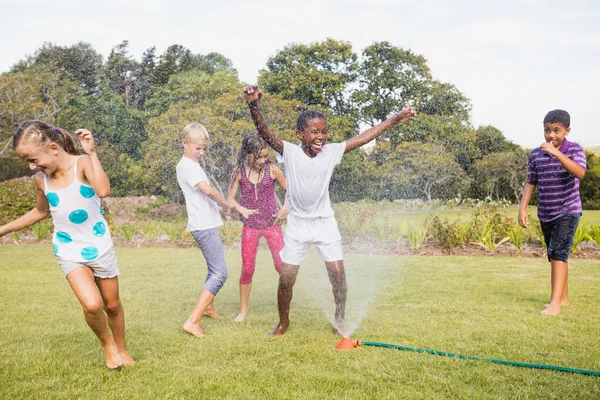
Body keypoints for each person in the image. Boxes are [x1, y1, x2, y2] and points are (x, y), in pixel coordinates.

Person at [243, 85, 417, 336]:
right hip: (298, 225)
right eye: (314, 132)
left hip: (324, 222)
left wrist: (395, 119)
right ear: (300, 134)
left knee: (337, 274)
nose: (321, 137)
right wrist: (253, 105)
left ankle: (340, 319)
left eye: (324, 131)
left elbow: (365, 136)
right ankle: (283, 323)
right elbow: (265, 132)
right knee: (287, 279)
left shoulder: (331, 152)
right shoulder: (289, 152)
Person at [0, 120, 135, 369]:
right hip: (68, 249)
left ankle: (123, 348)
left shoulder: (82, 164)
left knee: (113, 305)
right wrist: (4, 229)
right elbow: (42, 211)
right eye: (27, 162)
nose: (32, 167)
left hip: (99, 246)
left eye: (33, 159)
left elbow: (103, 190)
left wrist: (92, 153)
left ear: (53, 148)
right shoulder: (41, 180)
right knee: (93, 305)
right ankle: (108, 344)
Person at [176, 122, 254, 336]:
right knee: (220, 273)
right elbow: (207, 191)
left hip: (205, 222)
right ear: (184, 142)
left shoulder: (191, 164)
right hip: (203, 226)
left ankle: (208, 306)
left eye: (203, 148)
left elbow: (202, 197)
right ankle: (193, 321)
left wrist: (220, 209)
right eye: (197, 148)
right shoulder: (187, 166)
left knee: (214, 270)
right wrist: (228, 204)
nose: (201, 152)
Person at [518, 109, 586, 316]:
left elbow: (580, 172)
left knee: (558, 253)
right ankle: (562, 298)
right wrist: (522, 209)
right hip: (546, 212)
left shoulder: (574, 150)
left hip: (568, 210)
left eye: (557, 130)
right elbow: (531, 183)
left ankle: (554, 304)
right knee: (555, 254)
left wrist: (557, 153)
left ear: (567, 130)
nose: (551, 135)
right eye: (547, 130)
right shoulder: (536, 154)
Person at [227, 132, 288, 322]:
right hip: (251, 227)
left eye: (265, 156)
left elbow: (290, 190)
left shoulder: (273, 170)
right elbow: (230, 199)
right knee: (247, 269)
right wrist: (240, 208)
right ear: (247, 154)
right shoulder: (239, 173)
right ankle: (243, 311)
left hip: (272, 225)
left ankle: (286, 300)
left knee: (282, 266)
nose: (262, 160)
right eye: (258, 156)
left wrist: (285, 208)